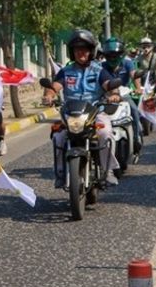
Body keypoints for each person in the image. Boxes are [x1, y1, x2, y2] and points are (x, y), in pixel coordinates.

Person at [47, 29, 121, 189]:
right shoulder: (65, 71)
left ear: (91, 51)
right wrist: (49, 95)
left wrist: (114, 94)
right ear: (72, 52)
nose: (81, 52)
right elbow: (55, 87)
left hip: (95, 112)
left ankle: (108, 171)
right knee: (58, 137)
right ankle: (60, 173)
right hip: (71, 114)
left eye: (84, 49)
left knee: (105, 133)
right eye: (77, 49)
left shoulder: (99, 70)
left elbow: (108, 85)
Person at [100, 36, 142, 148]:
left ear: (121, 54)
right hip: (107, 96)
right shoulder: (101, 66)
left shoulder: (128, 63)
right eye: (110, 55)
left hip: (124, 94)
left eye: (115, 55)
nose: (113, 58)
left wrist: (138, 88)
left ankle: (136, 137)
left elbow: (134, 75)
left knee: (134, 111)